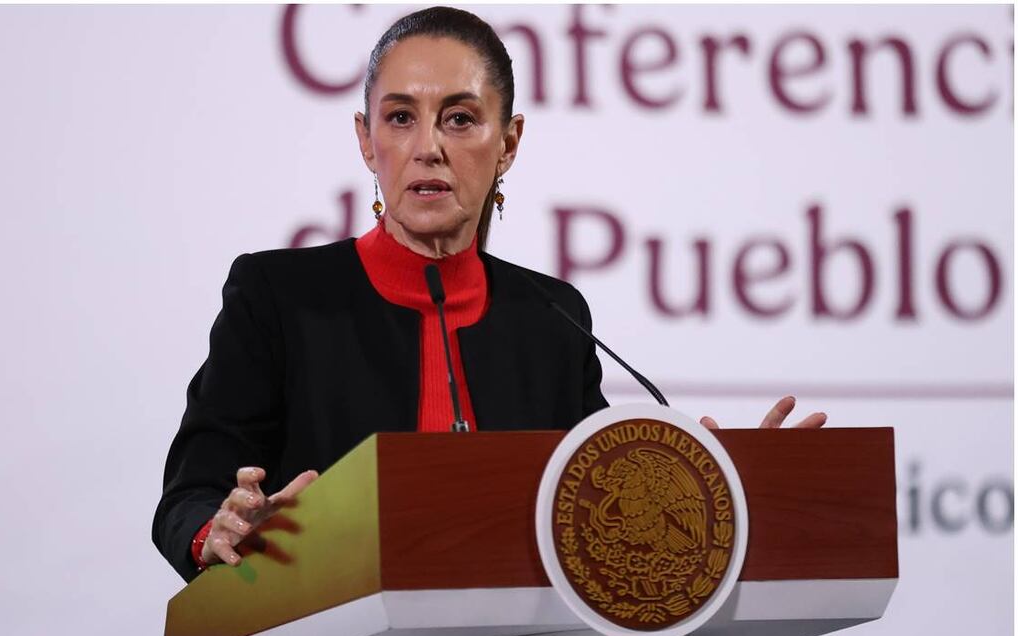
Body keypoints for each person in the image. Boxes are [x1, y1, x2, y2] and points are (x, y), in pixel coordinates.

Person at [152, 6, 824, 583]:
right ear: (366, 141)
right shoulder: (278, 297)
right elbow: (190, 493)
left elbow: (596, 516)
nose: (428, 148)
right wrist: (215, 527)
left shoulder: (553, 319)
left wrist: (722, 494)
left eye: (460, 119)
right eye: (399, 118)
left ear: (508, 142)